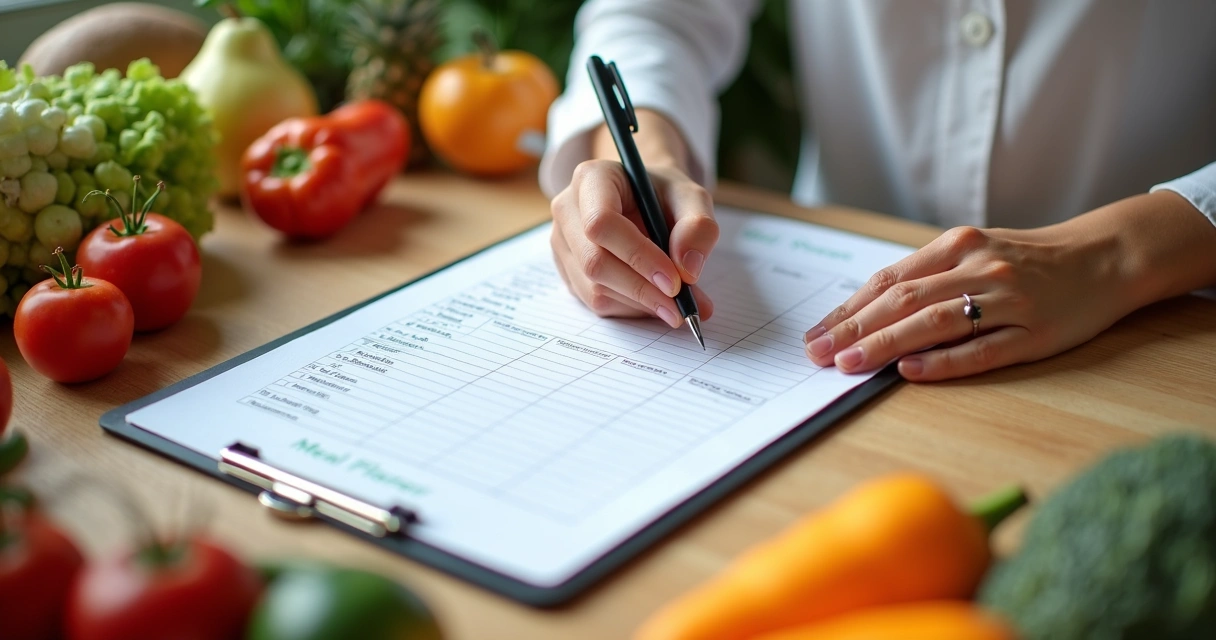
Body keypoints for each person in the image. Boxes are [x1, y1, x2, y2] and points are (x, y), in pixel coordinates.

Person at [537, 0, 1216, 382]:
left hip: (1165, 329)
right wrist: (645, 154)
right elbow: (657, 18)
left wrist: (1115, 253)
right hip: (829, 276)